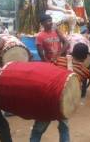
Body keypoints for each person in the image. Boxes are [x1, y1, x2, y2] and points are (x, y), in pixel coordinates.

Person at [30, 14, 70, 142]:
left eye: (50, 20)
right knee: (63, 122)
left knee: (62, 124)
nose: (50, 22)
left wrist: (59, 54)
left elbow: (67, 43)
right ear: (42, 23)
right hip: (49, 67)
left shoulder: (57, 32)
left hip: (59, 65)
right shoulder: (40, 36)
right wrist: (48, 62)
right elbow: (41, 54)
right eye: (47, 21)